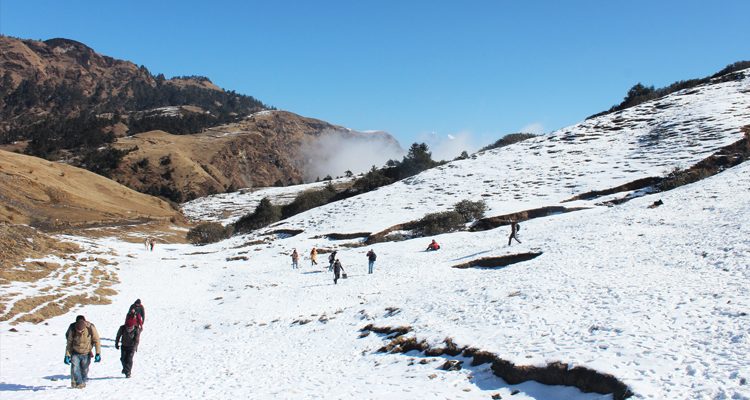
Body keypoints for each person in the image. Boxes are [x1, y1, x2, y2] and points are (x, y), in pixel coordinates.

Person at [64, 315, 101, 389]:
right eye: (78, 331)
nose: (80, 332)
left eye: (81, 331)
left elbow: (97, 340)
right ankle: (78, 383)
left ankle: (82, 381)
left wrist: (98, 353)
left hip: (86, 352)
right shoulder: (72, 328)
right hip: (75, 352)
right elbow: (69, 342)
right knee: (75, 368)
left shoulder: (90, 328)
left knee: (84, 370)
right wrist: (67, 355)